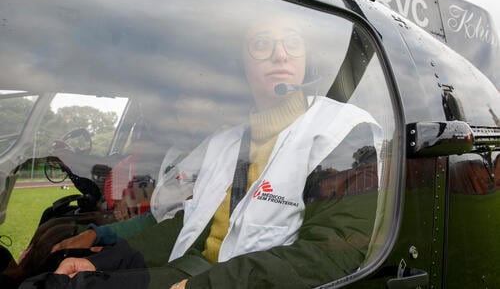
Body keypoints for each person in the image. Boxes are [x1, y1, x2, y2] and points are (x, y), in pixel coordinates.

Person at [20, 18, 382, 289]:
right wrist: (104, 257)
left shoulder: (340, 132)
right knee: (59, 274)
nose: (280, 54)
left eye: (292, 43)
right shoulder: (226, 144)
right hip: (193, 271)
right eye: (261, 44)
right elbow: (189, 226)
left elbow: (335, 253)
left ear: (306, 59)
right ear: (243, 63)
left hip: (224, 283)